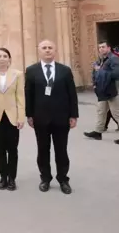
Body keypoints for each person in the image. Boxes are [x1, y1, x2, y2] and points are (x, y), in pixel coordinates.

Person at [25, 39, 78, 194]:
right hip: (40, 117)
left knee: (61, 149)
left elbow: (72, 94)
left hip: (61, 117)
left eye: (50, 48)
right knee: (43, 149)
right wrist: (29, 114)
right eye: (44, 48)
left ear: (55, 51)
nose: (47, 50)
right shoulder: (32, 70)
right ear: (39, 50)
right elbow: (29, 94)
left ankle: (63, 179)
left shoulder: (65, 70)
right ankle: (45, 178)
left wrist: (73, 115)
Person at [0, 48, 24, 191]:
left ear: (9, 58)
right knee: (0, 149)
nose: (2, 58)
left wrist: (21, 117)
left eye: (5, 56)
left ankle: (12, 178)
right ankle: (3, 177)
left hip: (12, 116)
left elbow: (20, 96)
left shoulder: (17, 74)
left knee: (12, 149)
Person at [84, 41, 119, 144]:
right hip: (102, 90)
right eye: (99, 47)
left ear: (108, 48)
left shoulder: (113, 58)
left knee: (116, 113)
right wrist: (94, 83)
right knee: (101, 111)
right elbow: (95, 72)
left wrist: (101, 71)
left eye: (103, 47)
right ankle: (98, 132)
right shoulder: (100, 60)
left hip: (112, 89)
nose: (101, 49)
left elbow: (117, 73)